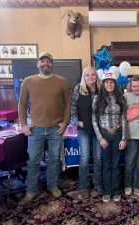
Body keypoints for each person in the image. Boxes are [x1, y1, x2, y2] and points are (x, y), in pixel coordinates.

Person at [18, 52, 71, 204]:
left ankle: (53, 186)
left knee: (54, 160)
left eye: (48, 61)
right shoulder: (28, 81)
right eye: (42, 61)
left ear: (52, 64)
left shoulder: (62, 81)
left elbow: (68, 104)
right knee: (33, 161)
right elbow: (21, 104)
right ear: (38, 64)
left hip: (56, 128)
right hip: (35, 129)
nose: (45, 63)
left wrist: (66, 122)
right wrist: (23, 125)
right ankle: (31, 190)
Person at [92, 71, 127, 203]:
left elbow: (124, 119)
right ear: (103, 84)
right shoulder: (97, 98)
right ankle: (107, 191)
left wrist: (124, 138)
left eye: (111, 82)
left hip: (118, 134)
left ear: (115, 83)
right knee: (106, 164)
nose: (109, 84)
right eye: (107, 82)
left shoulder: (121, 98)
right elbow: (94, 120)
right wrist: (100, 138)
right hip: (105, 134)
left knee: (116, 164)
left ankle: (116, 190)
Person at [71, 66, 102, 199]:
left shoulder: (102, 90)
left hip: (99, 130)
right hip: (83, 129)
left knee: (98, 158)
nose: (90, 77)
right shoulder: (78, 89)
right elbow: (72, 108)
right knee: (84, 158)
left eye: (93, 75)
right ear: (84, 76)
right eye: (87, 75)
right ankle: (83, 187)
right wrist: (77, 122)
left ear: (96, 76)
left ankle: (98, 183)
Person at [124, 75, 139, 197]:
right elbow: (122, 116)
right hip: (131, 135)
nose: (136, 88)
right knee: (130, 162)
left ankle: (137, 186)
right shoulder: (126, 97)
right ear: (130, 86)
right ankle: (128, 185)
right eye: (134, 86)